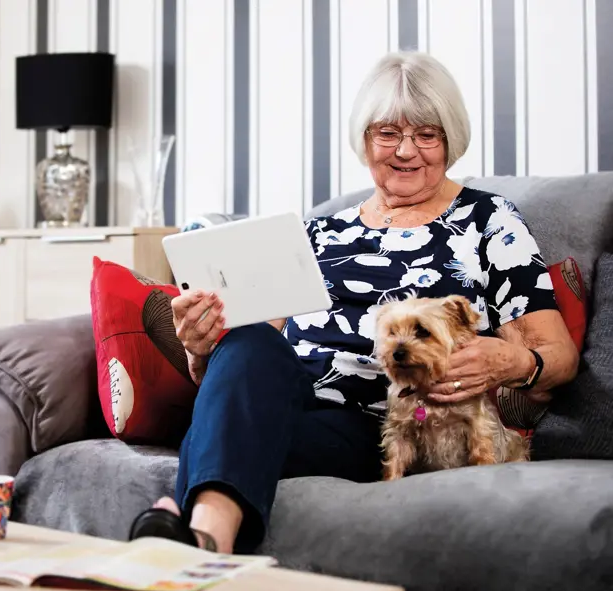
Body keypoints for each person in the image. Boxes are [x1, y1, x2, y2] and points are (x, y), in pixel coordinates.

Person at [128, 51, 580, 555]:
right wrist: (199, 347)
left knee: (227, 435)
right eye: (388, 133)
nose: (406, 150)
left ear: (450, 140)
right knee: (248, 338)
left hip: (380, 420)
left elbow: (558, 356)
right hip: (282, 395)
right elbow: (241, 367)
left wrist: (508, 361)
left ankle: (198, 537)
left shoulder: (488, 221)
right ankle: (206, 548)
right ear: (364, 139)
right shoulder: (317, 232)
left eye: (426, 135)